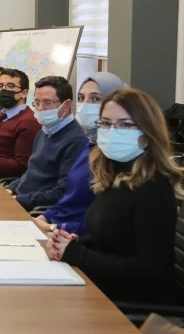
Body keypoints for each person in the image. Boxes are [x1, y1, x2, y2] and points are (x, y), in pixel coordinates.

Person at [47, 88, 184, 306]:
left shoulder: (155, 188)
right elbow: (113, 240)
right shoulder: (115, 175)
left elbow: (149, 269)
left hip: (135, 305)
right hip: (104, 288)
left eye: (125, 124)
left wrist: (79, 254)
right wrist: (74, 242)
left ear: (147, 133)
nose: (112, 131)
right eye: (105, 123)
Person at [34, 72, 128, 235]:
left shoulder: (117, 156)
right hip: (58, 229)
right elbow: (70, 197)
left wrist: (53, 228)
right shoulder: (89, 144)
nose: (85, 105)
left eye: (95, 98)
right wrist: (44, 217)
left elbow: (98, 221)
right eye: (81, 98)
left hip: (73, 236)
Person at [3, 76, 87, 211]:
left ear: (67, 105)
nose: (40, 108)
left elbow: (62, 192)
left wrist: (18, 199)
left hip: (35, 210)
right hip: (19, 199)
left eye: (48, 102)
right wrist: (10, 189)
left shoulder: (76, 140)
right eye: (37, 102)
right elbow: (31, 172)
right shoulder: (45, 130)